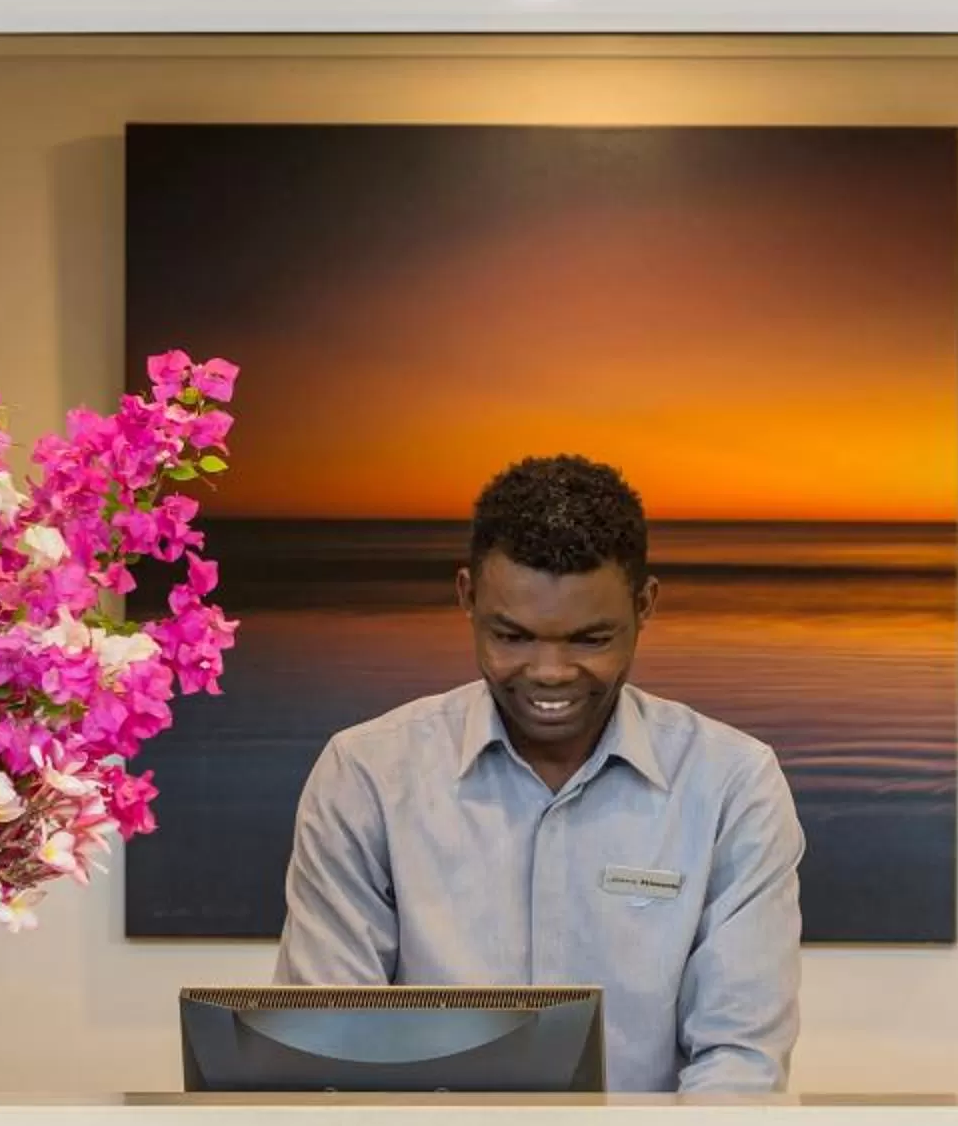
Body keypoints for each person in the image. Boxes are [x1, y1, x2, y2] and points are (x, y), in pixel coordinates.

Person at [275, 455, 803, 1093]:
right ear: (467, 597)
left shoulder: (731, 784)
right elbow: (333, 1046)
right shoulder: (367, 775)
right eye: (514, 636)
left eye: (590, 639)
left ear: (645, 606)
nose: (550, 672)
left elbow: (739, 1063)